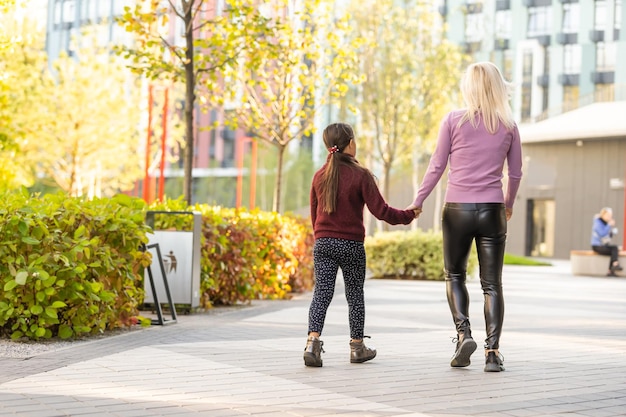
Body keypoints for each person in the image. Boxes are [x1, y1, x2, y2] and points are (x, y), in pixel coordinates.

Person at [407, 62, 523, 372]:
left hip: (457, 209)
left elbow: (436, 165)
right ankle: (493, 353)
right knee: (492, 284)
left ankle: (463, 335)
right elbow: (516, 173)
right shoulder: (509, 125)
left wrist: (418, 201)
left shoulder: (453, 120)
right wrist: (508, 204)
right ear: (498, 87)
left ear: (468, 87)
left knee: (455, 275)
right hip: (492, 210)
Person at [304, 122, 419, 367]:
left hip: (324, 243)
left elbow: (314, 217)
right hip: (351, 246)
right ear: (350, 143)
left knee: (321, 293)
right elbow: (382, 211)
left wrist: (322, 238)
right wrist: (409, 215)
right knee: (355, 296)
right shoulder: (361, 175)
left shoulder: (319, 176)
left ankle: (312, 343)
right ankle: (357, 348)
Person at [591, 207, 623, 277]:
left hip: (602, 245)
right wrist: (609, 225)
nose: (609, 218)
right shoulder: (598, 222)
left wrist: (612, 232)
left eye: (610, 216)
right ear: (603, 215)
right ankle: (615, 264)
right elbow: (602, 233)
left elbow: (606, 237)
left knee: (614, 249)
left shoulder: (604, 223)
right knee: (614, 249)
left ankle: (611, 270)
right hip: (597, 246)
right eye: (608, 216)